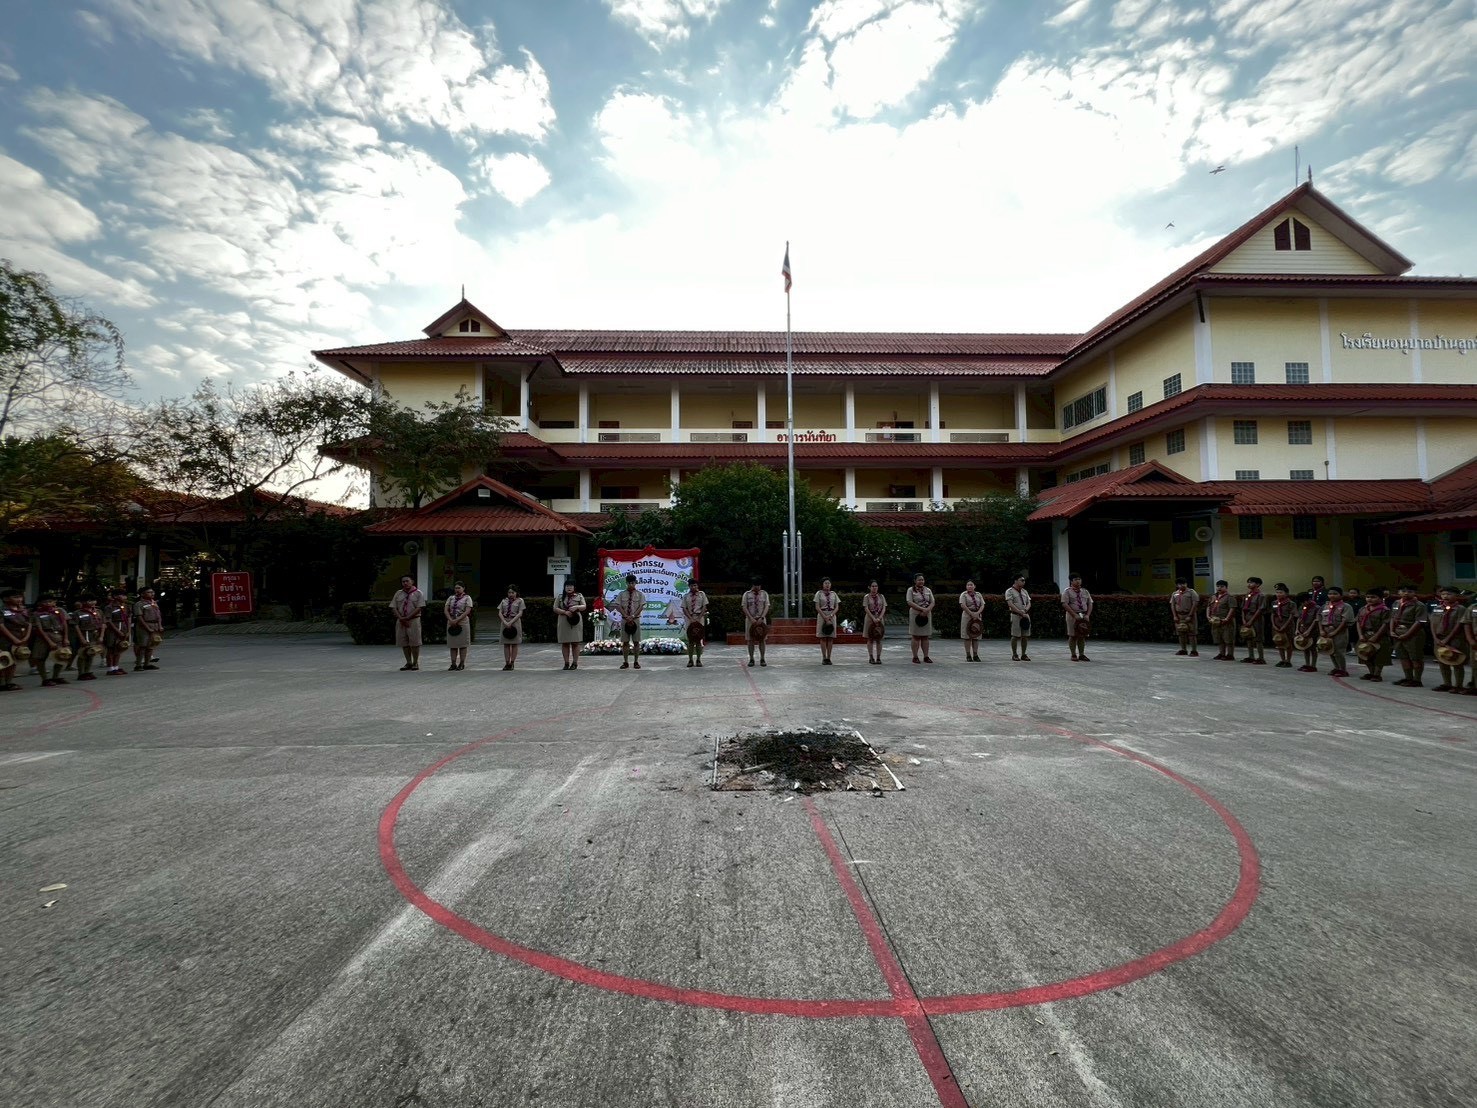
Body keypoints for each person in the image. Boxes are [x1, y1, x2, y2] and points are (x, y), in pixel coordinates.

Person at [1389, 582, 1429, 687]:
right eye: (1403, 591)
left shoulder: (1419, 605)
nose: (1406, 593)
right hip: (1397, 633)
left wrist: (1407, 634)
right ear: (1399, 592)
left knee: (1415, 657)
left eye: (1410, 591)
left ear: (1415, 593)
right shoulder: (1396, 603)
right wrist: (1391, 631)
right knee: (1403, 656)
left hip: (1413, 633)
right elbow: (1392, 617)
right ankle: (1408, 677)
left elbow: (1420, 621)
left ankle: (1417, 680)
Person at [1431, 585, 1468, 693]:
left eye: (1449, 594)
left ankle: (1458, 685)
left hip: (1455, 638)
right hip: (1439, 638)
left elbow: (1458, 625)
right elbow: (1433, 623)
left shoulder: (1461, 609)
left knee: (1457, 661)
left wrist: (1447, 639)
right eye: (1443, 594)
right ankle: (1447, 683)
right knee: (1442, 661)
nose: (1445, 596)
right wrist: (1435, 637)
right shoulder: (1438, 608)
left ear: (1456, 596)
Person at [31, 594, 70, 687]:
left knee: (62, 655)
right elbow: (39, 629)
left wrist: (66, 638)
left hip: (58, 635)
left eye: (50, 601)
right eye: (45, 602)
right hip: (43, 637)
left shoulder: (60, 611)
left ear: (54, 602)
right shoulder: (37, 614)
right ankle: (45, 679)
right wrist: (49, 642)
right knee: (41, 658)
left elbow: (65, 624)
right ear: (40, 603)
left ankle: (55, 676)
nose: (48, 603)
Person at [1354, 586, 1392, 681]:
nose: (1370, 599)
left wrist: (1376, 636)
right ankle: (1371, 672)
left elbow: (1385, 624)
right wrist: (1360, 635)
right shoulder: (1362, 609)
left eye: (1373, 597)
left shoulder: (1384, 610)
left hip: (1379, 636)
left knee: (1379, 656)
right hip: (1365, 635)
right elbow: (1358, 622)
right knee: (1365, 653)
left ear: (1381, 598)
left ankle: (1377, 674)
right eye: (1368, 597)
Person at [390, 576, 425, 671]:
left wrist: (407, 617)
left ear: (412, 581)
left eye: (407, 581)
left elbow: (419, 607)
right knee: (403, 641)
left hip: (413, 620)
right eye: (403, 581)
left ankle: (415, 662)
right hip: (401, 620)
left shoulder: (418, 593)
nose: (405, 583)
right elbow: (393, 607)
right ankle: (408, 662)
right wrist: (401, 618)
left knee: (415, 642)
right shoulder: (398, 593)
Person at [612, 573, 646, 670]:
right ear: (626, 583)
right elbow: (618, 606)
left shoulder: (640, 594)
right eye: (629, 583)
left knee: (636, 641)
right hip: (624, 620)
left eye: (633, 583)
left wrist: (633, 616)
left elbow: (641, 606)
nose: (631, 585)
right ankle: (625, 662)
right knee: (625, 642)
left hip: (636, 619)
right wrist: (626, 616)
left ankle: (636, 662)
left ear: (635, 583)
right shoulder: (621, 594)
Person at [1319, 585, 1354, 678]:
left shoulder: (1346, 606)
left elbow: (1345, 621)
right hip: (1326, 631)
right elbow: (1319, 618)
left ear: (1341, 595)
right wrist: (1321, 630)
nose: (1332, 596)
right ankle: (1336, 667)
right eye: (1330, 594)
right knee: (1330, 650)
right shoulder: (1325, 606)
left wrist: (1335, 632)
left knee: (1339, 652)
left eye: (1335, 594)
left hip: (1340, 632)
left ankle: (1343, 670)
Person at [1, 590, 30, 691]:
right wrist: (13, 639)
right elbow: (1, 626)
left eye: (20, 597)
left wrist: (26, 637)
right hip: (5, 639)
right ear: (5, 599)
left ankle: (9, 682)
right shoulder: (2, 611)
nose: (19, 599)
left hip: (21, 638)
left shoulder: (24, 610)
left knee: (14, 661)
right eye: (15, 597)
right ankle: (1, 682)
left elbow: (29, 624)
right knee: (4, 660)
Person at [1061, 572, 1093, 662]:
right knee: (1073, 635)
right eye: (1075, 579)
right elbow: (1064, 604)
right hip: (1072, 615)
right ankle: (1073, 654)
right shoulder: (1067, 591)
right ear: (1071, 581)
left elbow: (1090, 603)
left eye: (1079, 579)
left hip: (1084, 615)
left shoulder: (1085, 591)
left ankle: (1081, 654)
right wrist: (1074, 615)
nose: (1078, 581)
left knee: (1082, 635)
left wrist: (1087, 615)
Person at [554, 581, 587, 671]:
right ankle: (566, 663)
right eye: (567, 586)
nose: (569, 588)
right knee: (565, 642)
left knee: (575, 642)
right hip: (563, 620)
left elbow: (584, 606)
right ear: (564, 587)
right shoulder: (560, 597)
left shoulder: (579, 596)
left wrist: (576, 607)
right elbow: (555, 608)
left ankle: (575, 663)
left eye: (571, 586)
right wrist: (564, 612)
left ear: (574, 587)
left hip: (575, 620)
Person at [443, 582, 473, 671]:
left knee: (463, 644)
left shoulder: (467, 598)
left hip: (462, 621)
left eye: (459, 588)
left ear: (463, 588)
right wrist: (450, 619)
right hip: (451, 621)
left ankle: (462, 663)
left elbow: (467, 611)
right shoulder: (451, 598)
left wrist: (457, 620)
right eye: (456, 588)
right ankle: (453, 663)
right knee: (452, 644)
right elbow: (446, 610)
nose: (457, 590)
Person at [71, 595, 103, 681]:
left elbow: (103, 624)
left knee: (91, 653)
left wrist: (101, 636)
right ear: (83, 602)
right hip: (85, 633)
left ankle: (87, 671)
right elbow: (76, 626)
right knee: (82, 653)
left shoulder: (98, 611)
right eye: (90, 601)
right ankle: (81, 673)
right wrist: (81, 638)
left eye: (94, 600)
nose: (93, 603)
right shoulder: (78, 613)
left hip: (94, 634)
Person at [132, 586, 163, 671]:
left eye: (152, 592)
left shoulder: (154, 603)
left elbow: (158, 615)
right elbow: (139, 617)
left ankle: (147, 664)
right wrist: (147, 627)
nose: (152, 594)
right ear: (142, 594)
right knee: (143, 645)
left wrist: (160, 625)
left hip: (155, 625)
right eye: (149, 592)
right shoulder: (139, 604)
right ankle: (138, 664)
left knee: (151, 645)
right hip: (144, 625)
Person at [680, 579, 709, 668]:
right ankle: (690, 660)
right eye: (692, 585)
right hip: (689, 618)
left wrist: (699, 617)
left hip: (699, 617)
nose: (694, 587)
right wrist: (691, 618)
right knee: (690, 640)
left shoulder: (702, 595)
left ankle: (698, 659)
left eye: (695, 585)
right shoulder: (686, 596)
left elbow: (704, 607)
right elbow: (684, 608)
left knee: (698, 639)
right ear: (689, 586)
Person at [906, 573, 935, 663]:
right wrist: (922, 609)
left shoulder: (928, 590)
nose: (921, 581)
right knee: (916, 636)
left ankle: (926, 656)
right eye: (919, 580)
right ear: (915, 581)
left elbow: (932, 602)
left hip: (926, 614)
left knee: (925, 636)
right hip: (916, 614)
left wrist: (927, 610)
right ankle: (915, 657)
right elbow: (909, 602)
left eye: (922, 580)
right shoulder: (911, 590)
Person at [1239, 576, 1268, 665]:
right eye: (1248, 582)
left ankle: (1261, 658)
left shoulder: (1260, 595)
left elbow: (1260, 609)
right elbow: (1243, 607)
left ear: (1258, 584)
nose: (1249, 584)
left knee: (1258, 638)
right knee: (1248, 636)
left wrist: (1251, 620)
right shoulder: (1247, 595)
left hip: (1256, 618)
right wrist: (1244, 619)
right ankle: (1251, 656)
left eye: (1251, 582)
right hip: (1247, 617)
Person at [742, 580, 771, 667]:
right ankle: (751, 659)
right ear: (753, 585)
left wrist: (762, 617)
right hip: (750, 620)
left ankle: (762, 658)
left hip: (761, 619)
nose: (758, 587)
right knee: (750, 640)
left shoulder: (764, 594)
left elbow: (767, 606)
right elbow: (744, 607)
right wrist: (751, 618)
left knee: (762, 639)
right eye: (756, 586)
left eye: (759, 586)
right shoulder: (747, 594)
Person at [1206, 580, 1236, 661]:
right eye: (1218, 586)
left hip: (1225, 620)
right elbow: (1208, 606)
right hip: (1215, 620)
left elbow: (1232, 608)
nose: (1219, 588)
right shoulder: (1213, 596)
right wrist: (1208, 616)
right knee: (1219, 638)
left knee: (1228, 638)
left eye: (1222, 586)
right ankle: (1221, 653)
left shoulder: (1229, 597)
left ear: (1226, 587)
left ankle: (1230, 654)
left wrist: (1227, 618)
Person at [103, 588, 131, 676]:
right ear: (115, 596)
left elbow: (129, 618)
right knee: (111, 648)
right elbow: (108, 620)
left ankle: (116, 666)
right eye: (122, 595)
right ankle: (110, 668)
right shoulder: (109, 607)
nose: (125, 597)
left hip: (123, 627)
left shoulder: (126, 606)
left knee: (119, 648)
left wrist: (128, 630)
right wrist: (117, 631)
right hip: (113, 630)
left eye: (125, 595)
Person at [498, 584, 526, 671]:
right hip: (505, 622)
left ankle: (512, 663)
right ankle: (507, 663)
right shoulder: (504, 601)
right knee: (506, 644)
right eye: (509, 592)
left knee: (514, 643)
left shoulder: (520, 601)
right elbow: (500, 612)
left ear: (516, 593)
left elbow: (520, 613)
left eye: (513, 592)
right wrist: (505, 622)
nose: (511, 594)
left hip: (515, 622)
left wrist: (511, 622)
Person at [1169, 578, 1199, 656]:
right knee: (1181, 633)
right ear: (1177, 585)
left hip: (1189, 615)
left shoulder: (1191, 592)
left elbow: (1195, 604)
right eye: (1180, 584)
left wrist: (1190, 615)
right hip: (1179, 616)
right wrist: (1175, 616)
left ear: (1186, 584)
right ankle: (1183, 649)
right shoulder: (1175, 593)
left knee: (1192, 633)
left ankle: (1194, 650)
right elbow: (1172, 605)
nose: (1182, 585)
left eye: (1183, 583)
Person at [1005, 574, 1032, 661]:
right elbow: (1010, 604)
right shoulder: (1010, 591)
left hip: (1025, 615)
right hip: (1016, 615)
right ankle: (1014, 654)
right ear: (1016, 581)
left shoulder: (1024, 591)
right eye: (1022, 580)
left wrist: (1025, 610)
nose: (1024, 582)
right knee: (1015, 635)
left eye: (1024, 580)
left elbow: (1029, 602)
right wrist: (1019, 612)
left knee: (1025, 636)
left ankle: (1023, 654)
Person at [1269, 583, 1296, 668]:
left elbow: (1291, 615)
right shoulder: (1274, 602)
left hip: (1287, 624)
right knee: (1279, 642)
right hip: (1277, 624)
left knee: (1288, 643)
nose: (1278, 594)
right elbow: (1272, 614)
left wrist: (1285, 626)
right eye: (1277, 592)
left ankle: (1288, 660)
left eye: (1281, 592)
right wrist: (1274, 624)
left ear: (1286, 594)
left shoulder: (1291, 603)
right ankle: (1282, 659)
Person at [814, 577, 840, 665]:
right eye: (825, 583)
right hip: (822, 615)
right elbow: (817, 607)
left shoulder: (834, 594)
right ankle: (824, 657)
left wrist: (831, 615)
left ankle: (829, 657)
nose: (827, 585)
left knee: (830, 637)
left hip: (832, 615)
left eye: (829, 583)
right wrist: (825, 617)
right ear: (822, 584)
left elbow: (837, 607)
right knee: (823, 637)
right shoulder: (819, 593)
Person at [1294, 591, 1321, 673]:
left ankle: (1313, 665)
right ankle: (1307, 664)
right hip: (1303, 628)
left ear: (1309, 599)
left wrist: (1309, 630)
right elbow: (1299, 618)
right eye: (1302, 602)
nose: (1303, 603)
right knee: (1305, 647)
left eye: (1305, 601)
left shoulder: (1316, 608)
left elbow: (1316, 620)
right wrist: (1297, 629)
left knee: (1312, 648)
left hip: (1313, 630)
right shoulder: (1302, 607)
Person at [958, 580, 985, 662]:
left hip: (977, 616)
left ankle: (975, 655)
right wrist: (971, 614)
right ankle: (968, 655)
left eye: (971, 585)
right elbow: (963, 605)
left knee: (976, 636)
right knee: (967, 636)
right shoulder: (964, 594)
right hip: (967, 616)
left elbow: (982, 605)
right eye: (968, 585)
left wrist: (977, 613)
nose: (969, 586)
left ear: (974, 586)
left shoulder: (978, 594)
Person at [862, 580, 887, 665]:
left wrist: (879, 617)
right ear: (869, 587)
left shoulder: (881, 596)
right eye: (872, 586)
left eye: (876, 586)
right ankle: (871, 657)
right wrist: (873, 618)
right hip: (870, 618)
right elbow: (866, 608)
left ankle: (878, 657)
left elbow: (884, 607)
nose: (874, 588)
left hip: (879, 618)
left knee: (879, 638)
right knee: (870, 638)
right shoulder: (866, 597)